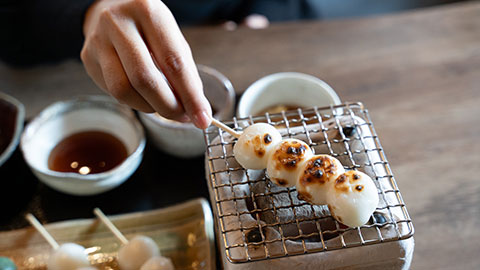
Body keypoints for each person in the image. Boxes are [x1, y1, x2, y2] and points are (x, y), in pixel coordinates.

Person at [0, 0, 322, 129]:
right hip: (60, 74)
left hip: (227, 34)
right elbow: (12, 24)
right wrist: (90, 11)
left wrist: (261, 11)